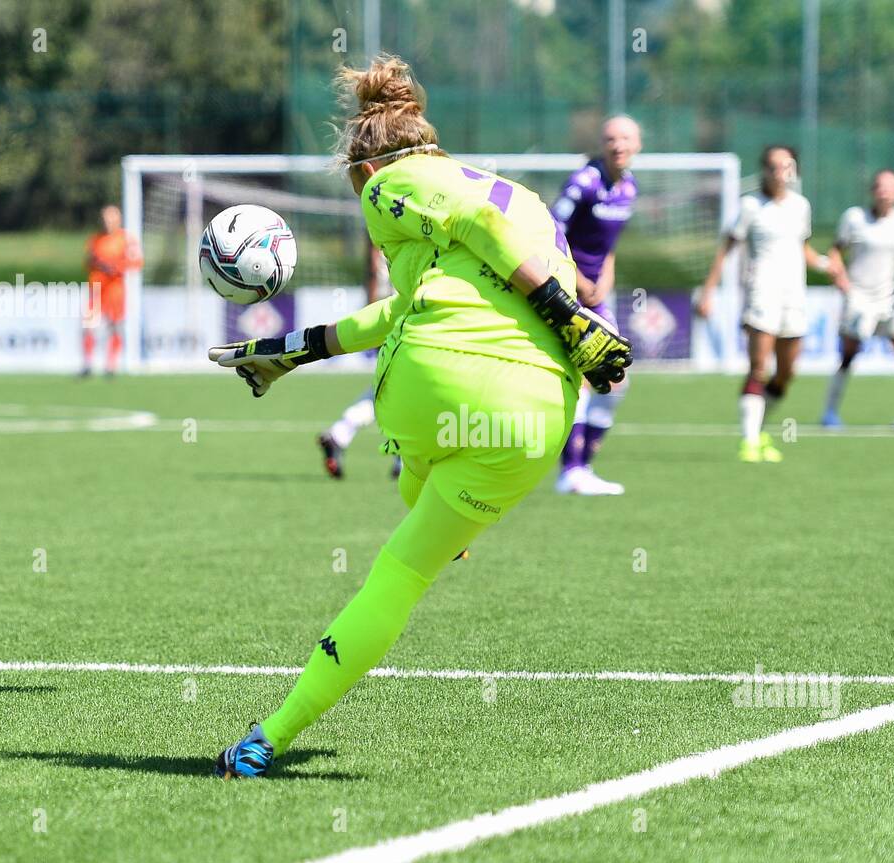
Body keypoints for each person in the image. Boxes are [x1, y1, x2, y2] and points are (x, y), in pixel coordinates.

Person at [207, 55, 630, 777]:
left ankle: (269, 736)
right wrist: (291, 350)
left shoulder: (391, 181)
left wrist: (568, 312)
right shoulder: (521, 197)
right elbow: (409, 297)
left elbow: (474, 220)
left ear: (366, 169)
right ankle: (271, 733)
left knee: (402, 537)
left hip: (438, 383)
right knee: (413, 549)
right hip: (538, 419)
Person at [696, 145, 838, 462]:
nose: (779, 172)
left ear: (794, 170)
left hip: (794, 297)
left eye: (786, 166)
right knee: (759, 368)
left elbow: (803, 249)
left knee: (787, 373)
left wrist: (829, 266)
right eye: (773, 166)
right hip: (761, 293)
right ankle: (748, 441)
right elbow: (726, 250)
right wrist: (707, 291)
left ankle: (758, 428)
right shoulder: (750, 206)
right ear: (764, 170)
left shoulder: (801, 207)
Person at [552, 116, 641, 495]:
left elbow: (607, 249)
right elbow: (551, 231)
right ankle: (571, 470)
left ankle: (582, 467)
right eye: (610, 139)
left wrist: (603, 280)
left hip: (595, 294)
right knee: (584, 380)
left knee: (617, 379)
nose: (617, 145)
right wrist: (575, 280)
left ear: (637, 145)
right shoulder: (583, 183)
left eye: (624, 138)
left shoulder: (630, 189)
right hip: (564, 292)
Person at [821, 170, 894, 428]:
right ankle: (830, 411)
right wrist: (840, 280)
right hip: (859, 296)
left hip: (889, 296)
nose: (884, 192)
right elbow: (835, 251)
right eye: (879, 187)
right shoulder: (854, 218)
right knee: (850, 353)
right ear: (872, 191)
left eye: (890, 188)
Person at [317, 244, 402, 479]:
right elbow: (374, 268)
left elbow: (373, 268)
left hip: (391, 313)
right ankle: (402, 458)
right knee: (404, 386)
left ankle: (340, 433)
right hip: (397, 314)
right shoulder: (395, 221)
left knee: (392, 387)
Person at [82, 205, 142, 376]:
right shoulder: (95, 239)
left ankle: (111, 364)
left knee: (115, 326)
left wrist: (116, 267)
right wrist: (95, 263)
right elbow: (88, 263)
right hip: (97, 289)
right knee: (88, 325)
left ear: (118, 220)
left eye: (110, 219)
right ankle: (88, 364)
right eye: (104, 219)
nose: (106, 222)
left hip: (115, 290)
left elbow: (136, 262)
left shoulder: (126, 239)